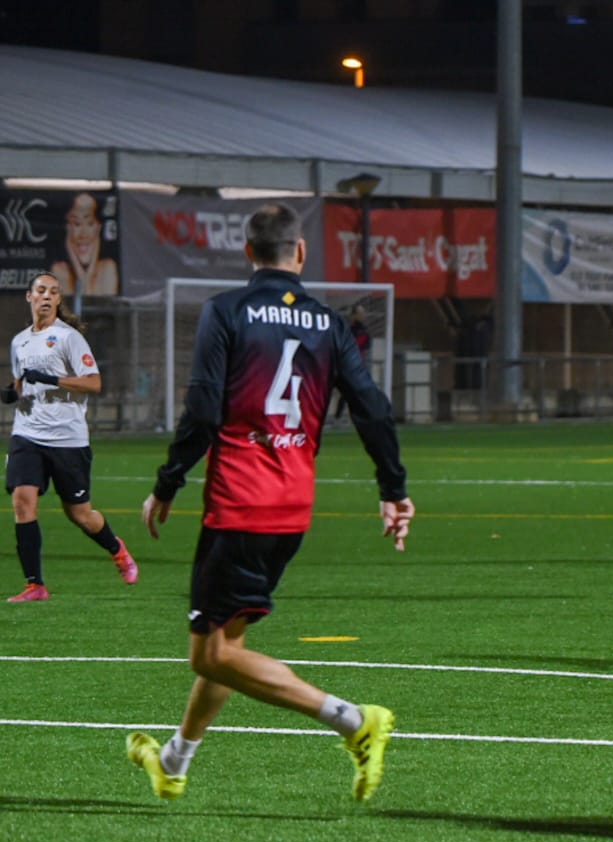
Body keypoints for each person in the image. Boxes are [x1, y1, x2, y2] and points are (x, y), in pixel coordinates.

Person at [125, 203, 416, 803]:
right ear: (299, 254)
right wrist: (393, 489)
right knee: (225, 645)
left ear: (248, 253)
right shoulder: (329, 324)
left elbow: (203, 409)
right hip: (292, 507)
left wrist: (169, 480)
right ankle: (175, 761)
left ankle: (354, 720)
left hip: (239, 504)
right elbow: (372, 407)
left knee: (210, 656)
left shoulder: (226, 311)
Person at [4, 271, 139, 602]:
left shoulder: (69, 338)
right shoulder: (19, 341)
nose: (47, 295)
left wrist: (52, 379)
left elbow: (94, 382)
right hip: (27, 433)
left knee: (80, 514)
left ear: (59, 300)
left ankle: (117, 549)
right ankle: (35, 585)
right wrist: (11, 393)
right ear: (30, 297)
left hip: (67, 439)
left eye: (53, 291)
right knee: (23, 501)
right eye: (41, 290)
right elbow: (21, 383)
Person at [50, 192, 120, 297]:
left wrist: (90, 273)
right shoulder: (59, 270)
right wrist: (81, 275)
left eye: (90, 223)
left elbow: (103, 311)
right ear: (67, 228)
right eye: (77, 224)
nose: (83, 234)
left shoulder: (108, 267)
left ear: (98, 228)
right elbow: (75, 310)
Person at [330, 305, 373, 423]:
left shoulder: (365, 331)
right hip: (345, 366)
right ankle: (336, 417)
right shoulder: (348, 330)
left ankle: (357, 417)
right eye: (360, 313)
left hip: (359, 367)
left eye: (363, 313)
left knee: (358, 392)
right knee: (344, 392)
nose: (363, 315)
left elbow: (366, 349)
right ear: (354, 315)